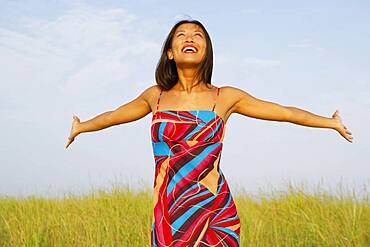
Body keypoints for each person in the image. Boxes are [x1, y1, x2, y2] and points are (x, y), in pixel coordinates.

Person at [65, 19, 353, 246]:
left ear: (206, 51)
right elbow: (113, 116)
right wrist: (81, 127)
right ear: (169, 52)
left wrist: (330, 122)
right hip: (169, 211)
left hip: (213, 211)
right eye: (181, 35)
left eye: (197, 35)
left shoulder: (225, 97)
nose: (189, 38)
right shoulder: (155, 97)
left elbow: (285, 113)